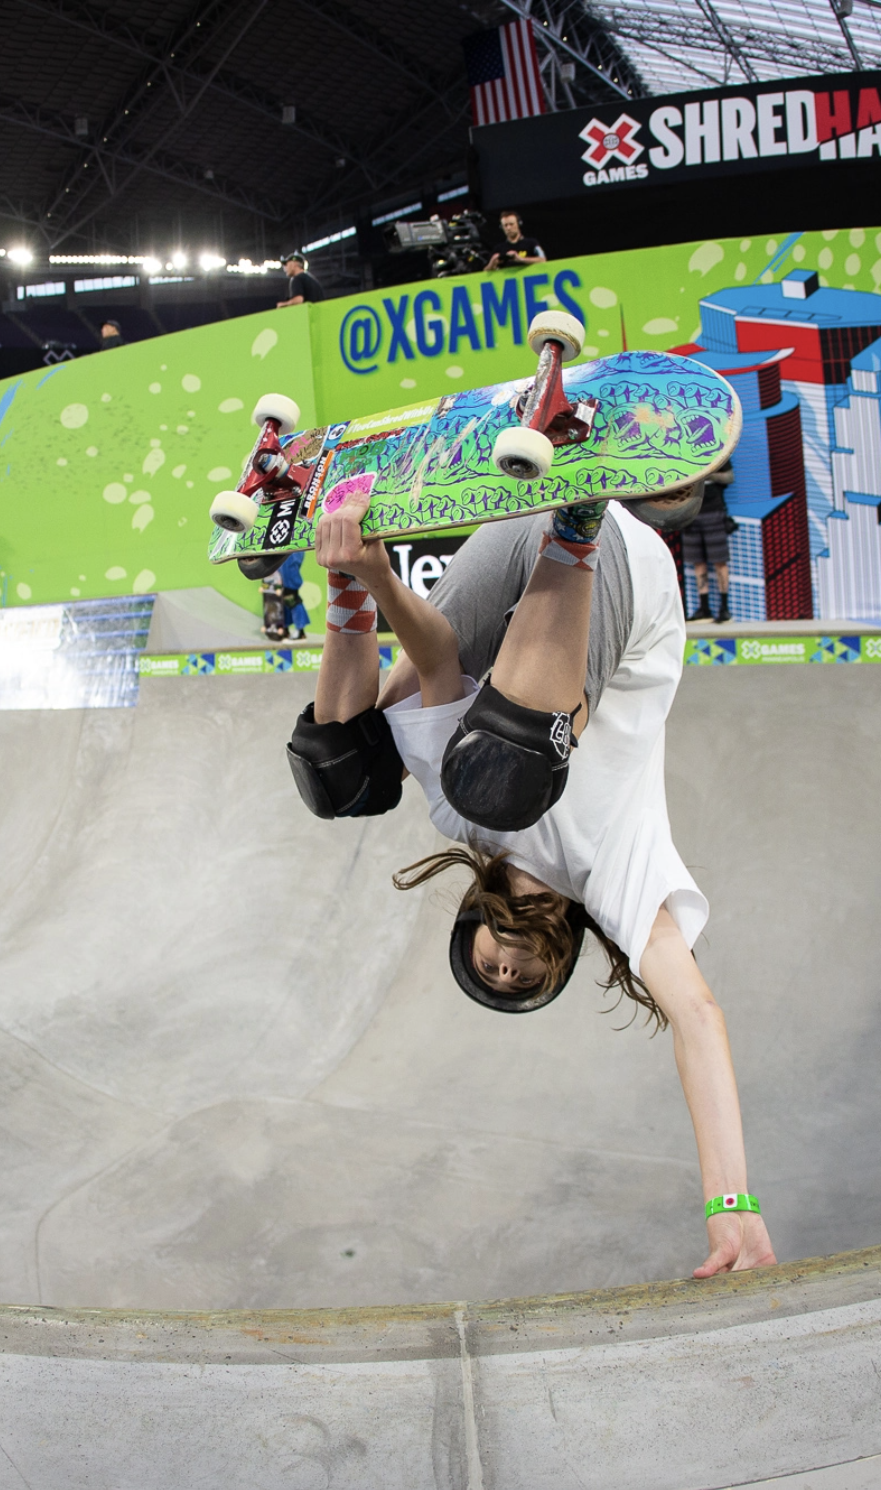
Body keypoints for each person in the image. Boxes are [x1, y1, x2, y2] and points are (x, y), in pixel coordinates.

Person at [288, 480, 775, 1279]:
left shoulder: (458, 821)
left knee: (349, 782)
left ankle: (340, 587)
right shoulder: (612, 884)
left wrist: (372, 579)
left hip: (509, 548)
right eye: (523, 978)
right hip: (622, 582)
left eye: (490, 969)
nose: (508, 965)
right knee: (499, 780)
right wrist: (733, 1206)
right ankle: (577, 522)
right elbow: (698, 1014)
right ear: (562, 957)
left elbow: (439, 654)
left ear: (472, 930)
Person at [681, 463, 736, 622]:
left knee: (720, 561)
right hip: (690, 514)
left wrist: (706, 474)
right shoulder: (680, 453)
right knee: (697, 562)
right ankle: (704, 609)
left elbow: (729, 477)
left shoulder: (716, 450)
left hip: (714, 512)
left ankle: (724, 609)